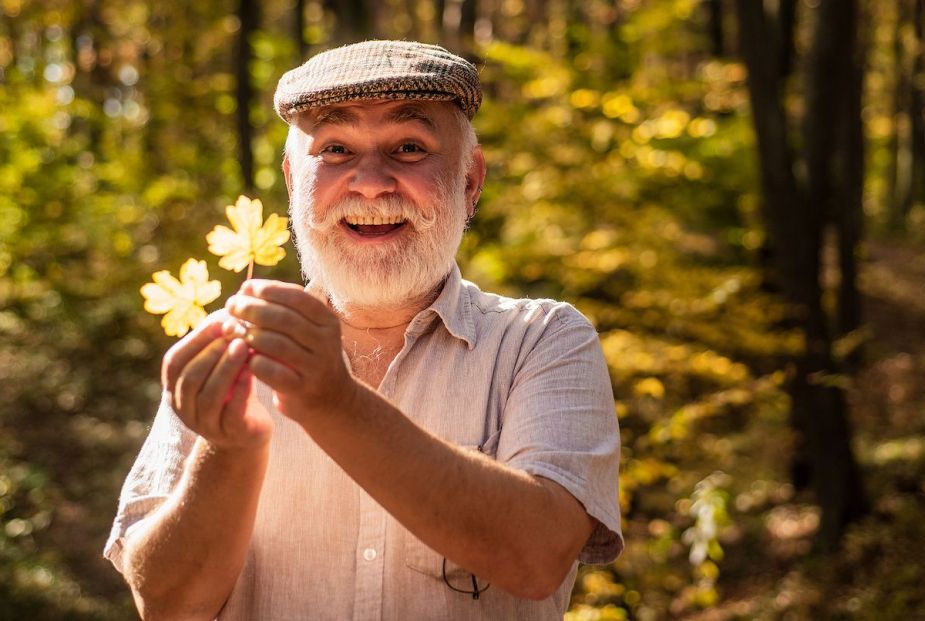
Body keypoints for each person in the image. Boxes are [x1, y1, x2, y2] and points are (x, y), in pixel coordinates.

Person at [104, 40, 622, 620]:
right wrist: (229, 448)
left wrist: (333, 402)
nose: (371, 183)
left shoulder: (541, 341)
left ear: (470, 180)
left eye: (409, 147)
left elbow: (537, 557)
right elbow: (166, 605)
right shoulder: (228, 351)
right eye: (335, 149)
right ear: (293, 179)